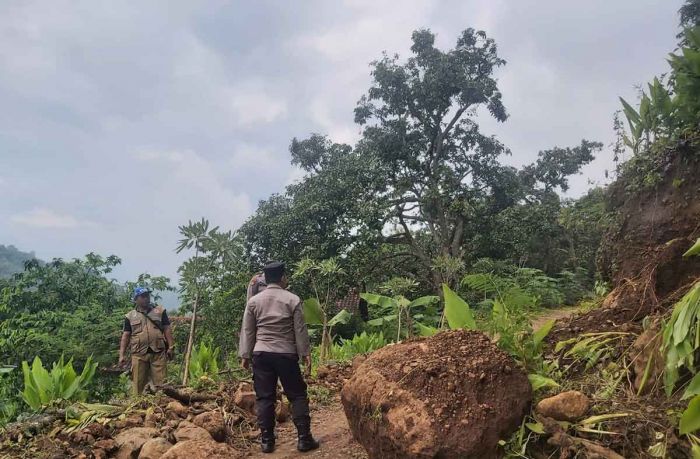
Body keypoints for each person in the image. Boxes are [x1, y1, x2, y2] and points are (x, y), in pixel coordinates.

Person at [239, 261, 319, 454]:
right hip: (286, 354)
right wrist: (305, 354)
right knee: (297, 394)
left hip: (261, 354)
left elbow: (248, 331)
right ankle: (304, 438)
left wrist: (245, 355)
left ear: (265, 278)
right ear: (283, 277)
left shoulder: (254, 301)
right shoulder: (292, 299)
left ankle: (267, 441)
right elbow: (300, 331)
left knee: (265, 397)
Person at [119, 287, 175, 395]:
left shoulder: (159, 311)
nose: (146, 299)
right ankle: (138, 406)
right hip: (138, 354)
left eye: (147, 296)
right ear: (136, 299)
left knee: (162, 384)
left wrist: (171, 347)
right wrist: (121, 355)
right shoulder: (130, 316)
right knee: (138, 385)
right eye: (143, 296)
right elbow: (126, 335)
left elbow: (167, 329)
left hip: (158, 353)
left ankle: (163, 405)